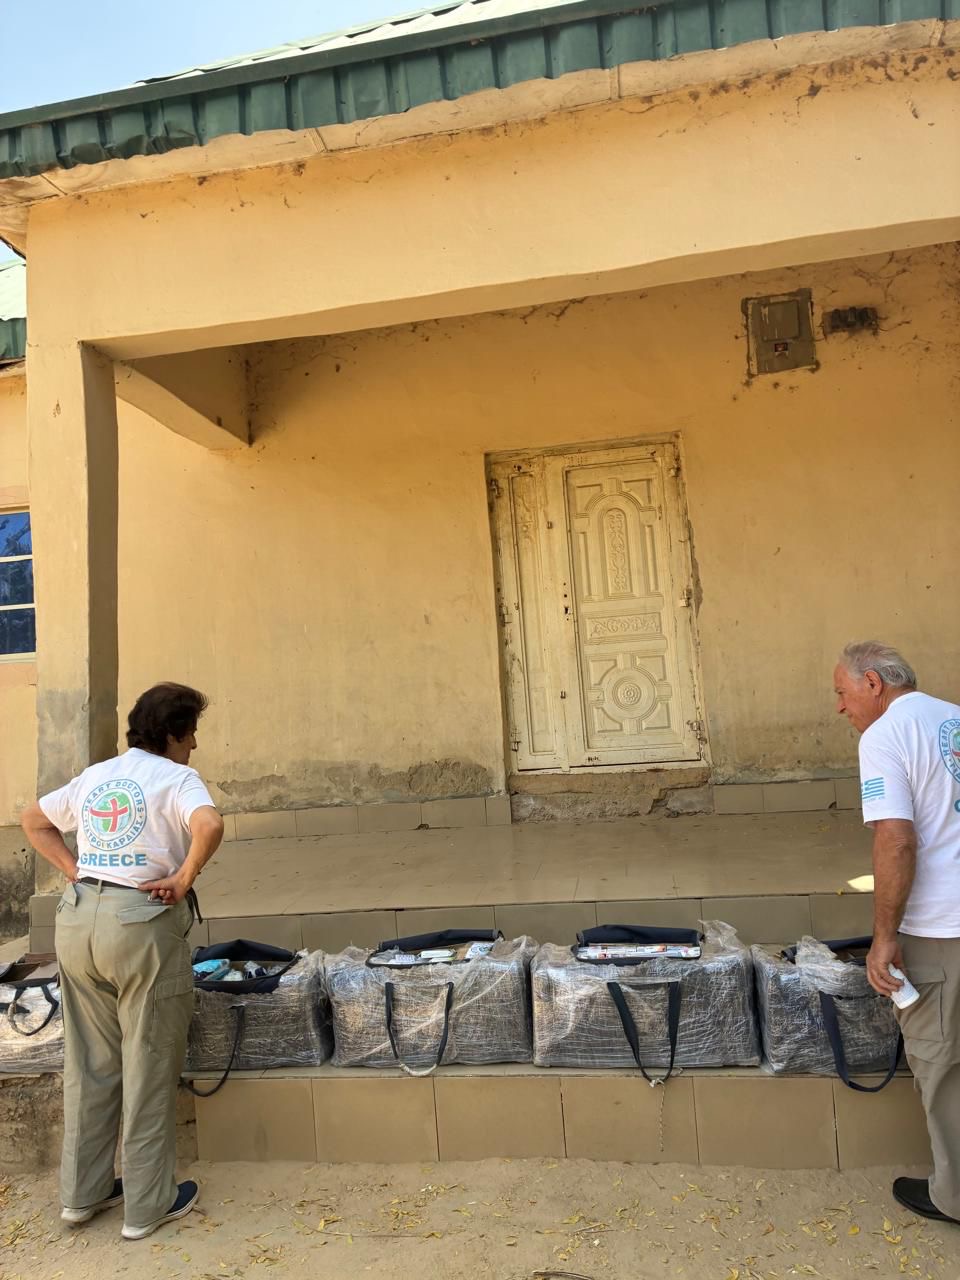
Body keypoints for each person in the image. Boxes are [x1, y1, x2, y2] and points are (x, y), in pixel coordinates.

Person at [20, 683, 224, 1240]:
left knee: (90, 1064)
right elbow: (209, 825)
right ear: (173, 734)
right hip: (139, 925)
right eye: (191, 733)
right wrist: (182, 878)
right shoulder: (177, 778)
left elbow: (32, 819)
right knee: (149, 1060)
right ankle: (147, 1205)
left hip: (77, 919)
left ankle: (81, 1195)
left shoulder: (98, 775)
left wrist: (74, 871)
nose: (194, 745)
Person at [834, 641, 960, 1223]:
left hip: (939, 929)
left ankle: (954, 1197)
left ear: (872, 682)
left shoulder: (885, 736)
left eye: (842, 692)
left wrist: (884, 936)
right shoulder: (953, 718)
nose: (841, 706)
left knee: (942, 1063)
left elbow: (896, 839)